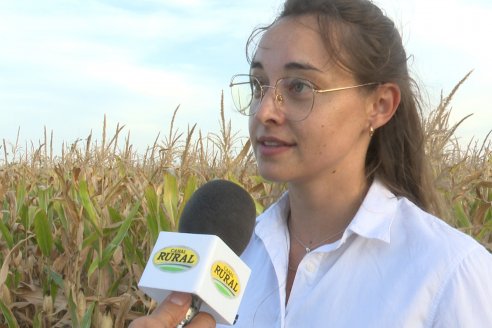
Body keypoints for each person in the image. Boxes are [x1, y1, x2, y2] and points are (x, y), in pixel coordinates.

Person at [132, 0, 492, 326]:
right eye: (259, 86)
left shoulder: (450, 276)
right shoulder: (234, 256)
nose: (265, 111)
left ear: (380, 105)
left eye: (300, 87)